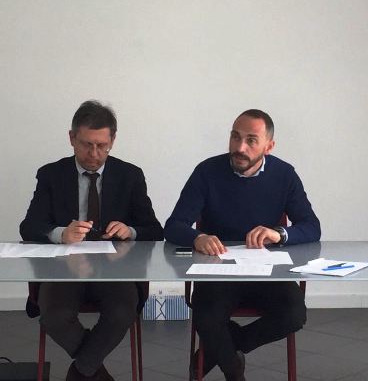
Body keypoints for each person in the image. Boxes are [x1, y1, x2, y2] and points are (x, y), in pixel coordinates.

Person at [164, 109, 321, 381]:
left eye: (251, 140)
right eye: (235, 137)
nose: (240, 147)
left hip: (267, 271)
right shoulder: (207, 171)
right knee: (206, 316)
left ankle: (221, 348)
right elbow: (174, 225)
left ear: (269, 146)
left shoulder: (284, 175)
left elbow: (311, 227)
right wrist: (197, 237)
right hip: (218, 271)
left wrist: (279, 234)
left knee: (294, 314)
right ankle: (233, 370)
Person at [20, 100, 163, 381]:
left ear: (113, 141)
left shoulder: (130, 175)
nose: (94, 154)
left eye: (102, 146)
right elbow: (29, 227)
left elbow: (154, 230)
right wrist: (61, 233)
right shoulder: (51, 175)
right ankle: (94, 372)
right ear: (72, 138)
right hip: (63, 269)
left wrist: (130, 231)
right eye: (86, 145)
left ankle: (81, 372)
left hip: (116, 270)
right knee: (54, 316)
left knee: (122, 312)